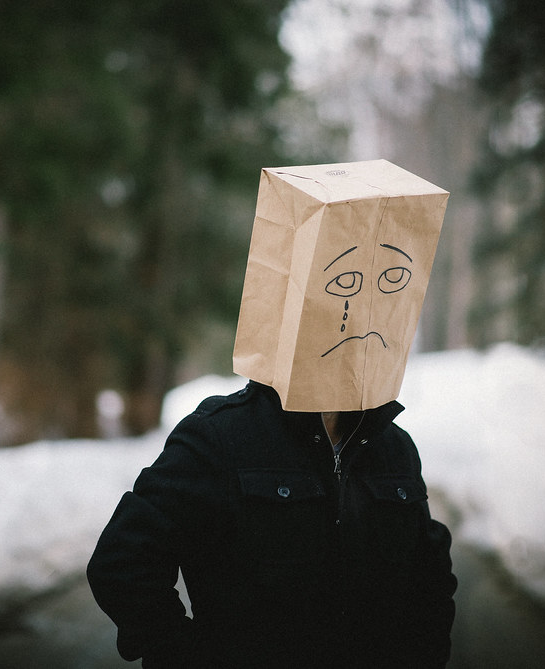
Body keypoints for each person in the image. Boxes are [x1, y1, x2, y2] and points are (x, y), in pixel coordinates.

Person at [87, 162, 457, 667]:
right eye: (344, 282)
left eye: (392, 280)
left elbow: (429, 583)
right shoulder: (219, 439)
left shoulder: (394, 448)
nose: (364, 311)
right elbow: (123, 562)